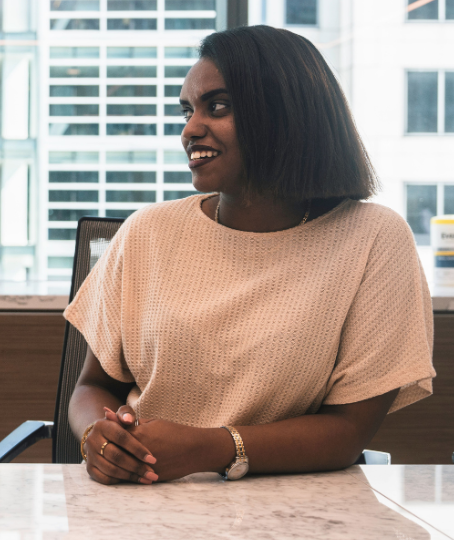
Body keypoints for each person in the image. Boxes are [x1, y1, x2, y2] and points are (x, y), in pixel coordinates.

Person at [65, 25, 435, 485]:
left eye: (216, 107)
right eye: (187, 110)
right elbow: (93, 387)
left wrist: (211, 448)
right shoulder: (147, 232)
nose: (190, 129)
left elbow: (348, 431)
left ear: (285, 114)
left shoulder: (374, 239)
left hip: (297, 508)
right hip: (145, 496)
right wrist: (96, 439)